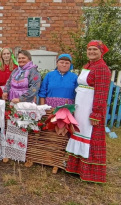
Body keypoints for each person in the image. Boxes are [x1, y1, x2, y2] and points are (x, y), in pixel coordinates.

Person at [65, 40, 111, 183]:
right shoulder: (88, 66)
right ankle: (76, 167)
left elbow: (101, 93)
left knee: (90, 136)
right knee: (79, 132)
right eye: (89, 49)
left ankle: (89, 172)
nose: (91, 52)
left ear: (101, 52)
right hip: (81, 106)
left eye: (95, 50)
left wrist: (96, 113)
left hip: (90, 107)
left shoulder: (102, 69)